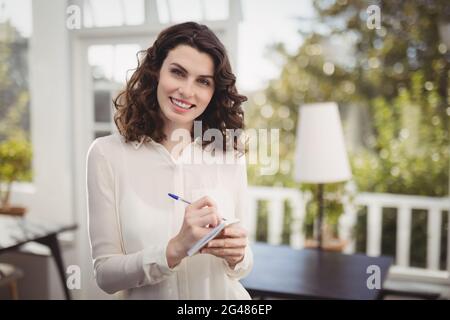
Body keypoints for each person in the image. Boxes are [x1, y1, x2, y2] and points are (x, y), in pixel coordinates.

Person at [86, 21, 253, 299]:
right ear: (155, 73)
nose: (187, 91)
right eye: (178, 72)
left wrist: (238, 256)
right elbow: (105, 275)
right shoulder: (107, 155)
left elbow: (244, 265)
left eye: (203, 81)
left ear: (214, 92)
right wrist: (174, 249)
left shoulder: (229, 155)